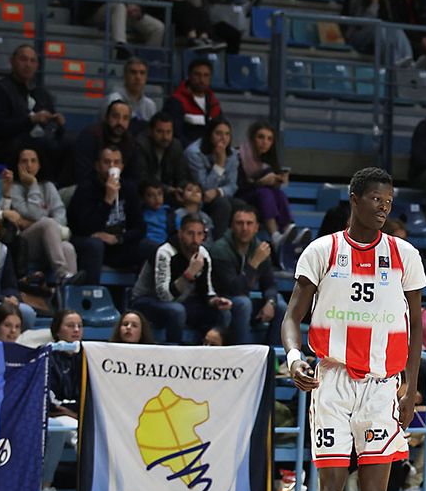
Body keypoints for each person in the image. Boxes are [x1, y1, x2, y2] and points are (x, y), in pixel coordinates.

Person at [284, 168, 425, 491]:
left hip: (383, 387)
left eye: (389, 200)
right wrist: (293, 355)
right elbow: (291, 318)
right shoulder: (322, 251)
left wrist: (410, 389)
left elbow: (416, 334)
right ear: (355, 199)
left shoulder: (405, 255)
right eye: (376, 199)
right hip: (332, 383)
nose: (384, 207)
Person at [129, 212, 231, 343]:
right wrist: (189, 274)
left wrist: (216, 301)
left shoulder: (203, 255)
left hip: (182, 302)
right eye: (190, 233)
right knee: (177, 311)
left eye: (199, 234)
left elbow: (207, 292)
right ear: (180, 233)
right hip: (146, 300)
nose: (195, 239)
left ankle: (209, 353)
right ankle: (175, 355)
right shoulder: (165, 252)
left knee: (223, 313)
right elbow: (164, 296)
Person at [209, 204, 283, 347]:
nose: (244, 228)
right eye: (239, 223)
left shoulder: (259, 247)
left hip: (242, 301)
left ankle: (273, 357)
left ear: (256, 228)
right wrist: (254, 262)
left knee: (280, 306)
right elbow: (234, 289)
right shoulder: (220, 249)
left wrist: (270, 302)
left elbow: (270, 284)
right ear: (231, 226)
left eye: (249, 223)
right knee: (244, 303)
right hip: (221, 302)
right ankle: (244, 355)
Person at [69, 145, 146, 280]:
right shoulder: (86, 189)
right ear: (97, 166)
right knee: (95, 245)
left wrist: (119, 239)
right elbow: (83, 228)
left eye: (116, 162)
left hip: (118, 245)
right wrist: (107, 200)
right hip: (90, 245)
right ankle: (91, 294)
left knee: (149, 247)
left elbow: (140, 228)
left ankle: (141, 296)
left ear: (122, 166)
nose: (111, 167)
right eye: (107, 162)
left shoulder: (129, 189)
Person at [4, 146, 79, 284]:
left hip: (50, 243)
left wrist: (33, 223)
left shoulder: (48, 186)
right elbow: (35, 213)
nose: (29, 165)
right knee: (47, 223)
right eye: (24, 161)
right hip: (24, 243)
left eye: (33, 161)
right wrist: (33, 184)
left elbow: (61, 217)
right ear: (17, 164)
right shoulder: (14, 188)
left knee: (68, 248)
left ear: (40, 164)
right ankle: (62, 274)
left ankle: (68, 293)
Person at [0, 45, 66, 171]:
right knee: (46, 146)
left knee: (70, 144)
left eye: (32, 61)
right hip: (9, 146)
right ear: (12, 61)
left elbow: (52, 127)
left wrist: (59, 124)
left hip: (39, 142)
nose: (28, 65)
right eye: (23, 59)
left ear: (37, 66)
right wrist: (31, 120)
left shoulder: (43, 94)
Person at [237, 122, 304, 251]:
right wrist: (259, 182)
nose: (264, 142)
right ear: (252, 138)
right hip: (242, 198)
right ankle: (275, 236)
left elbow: (274, 191)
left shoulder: (269, 161)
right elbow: (237, 185)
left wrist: (277, 180)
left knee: (279, 194)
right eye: (260, 137)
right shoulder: (240, 155)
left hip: (261, 201)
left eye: (269, 139)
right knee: (264, 192)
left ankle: (289, 230)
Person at [42, 308, 83, 491]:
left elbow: (88, 395)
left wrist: (77, 411)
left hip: (79, 415)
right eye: (70, 325)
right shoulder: (48, 356)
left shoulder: (86, 357)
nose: (76, 330)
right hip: (54, 416)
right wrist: (75, 412)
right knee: (64, 427)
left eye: (79, 326)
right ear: (57, 330)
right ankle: (44, 487)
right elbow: (51, 401)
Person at [163, 57, 224, 140]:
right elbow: (175, 134)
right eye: (197, 74)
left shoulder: (214, 103)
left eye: (206, 75)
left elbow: (222, 130)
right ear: (189, 76)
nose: (201, 80)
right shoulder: (176, 101)